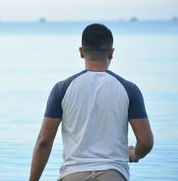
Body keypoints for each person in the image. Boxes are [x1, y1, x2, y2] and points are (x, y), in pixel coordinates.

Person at [29, 23, 153, 181]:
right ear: (111, 52)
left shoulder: (62, 89)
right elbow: (146, 142)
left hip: (73, 174)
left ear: (81, 52)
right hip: (113, 174)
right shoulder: (129, 89)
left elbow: (43, 142)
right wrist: (134, 154)